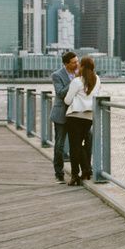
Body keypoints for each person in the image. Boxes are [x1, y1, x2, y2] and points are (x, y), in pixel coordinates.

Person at [64, 56, 101, 186]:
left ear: (82, 67)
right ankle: (86, 170)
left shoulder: (77, 81)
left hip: (74, 116)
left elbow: (67, 100)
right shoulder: (97, 80)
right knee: (81, 145)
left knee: (75, 147)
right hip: (88, 117)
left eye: (80, 64)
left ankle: (75, 175)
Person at [50, 52, 79, 183]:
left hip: (76, 114)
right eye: (73, 62)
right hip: (61, 114)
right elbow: (60, 93)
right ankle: (59, 173)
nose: (76, 64)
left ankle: (81, 171)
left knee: (80, 142)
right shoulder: (57, 75)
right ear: (66, 64)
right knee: (60, 145)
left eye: (77, 61)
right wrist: (73, 82)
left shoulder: (80, 74)